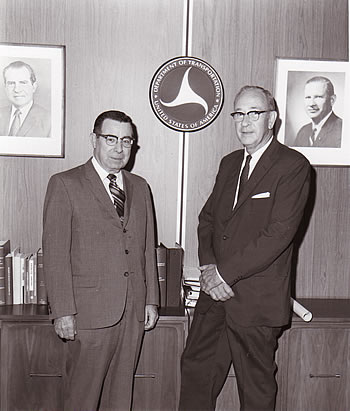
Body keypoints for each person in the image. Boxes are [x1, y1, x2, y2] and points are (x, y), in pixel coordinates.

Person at [179, 86, 311, 411]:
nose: (245, 121)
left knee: (255, 392)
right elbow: (207, 220)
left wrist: (224, 274)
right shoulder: (229, 163)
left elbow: (278, 234)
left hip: (256, 302)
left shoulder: (293, 166)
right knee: (196, 375)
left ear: (272, 119)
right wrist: (209, 270)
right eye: (239, 114)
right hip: (214, 297)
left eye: (254, 113)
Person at [42, 110, 159, 411]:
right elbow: (55, 254)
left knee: (120, 399)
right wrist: (63, 312)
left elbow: (145, 247)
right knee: (82, 399)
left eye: (127, 141)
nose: (119, 148)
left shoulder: (140, 187)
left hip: (132, 312)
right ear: (93, 140)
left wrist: (151, 301)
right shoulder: (65, 184)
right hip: (87, 315)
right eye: (111, 139)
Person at [0, 60, 50, 137]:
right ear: (5, 88)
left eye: (23, 83)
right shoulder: (1, 114)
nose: (17, 89)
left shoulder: (49, 120)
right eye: (11, 83)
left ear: (34, 86)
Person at [293, 76, 342, 148]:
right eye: (308, 97)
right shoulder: (303, 132)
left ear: (332, 100)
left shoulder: (342, 130)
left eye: (318, 97)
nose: (311, 104)